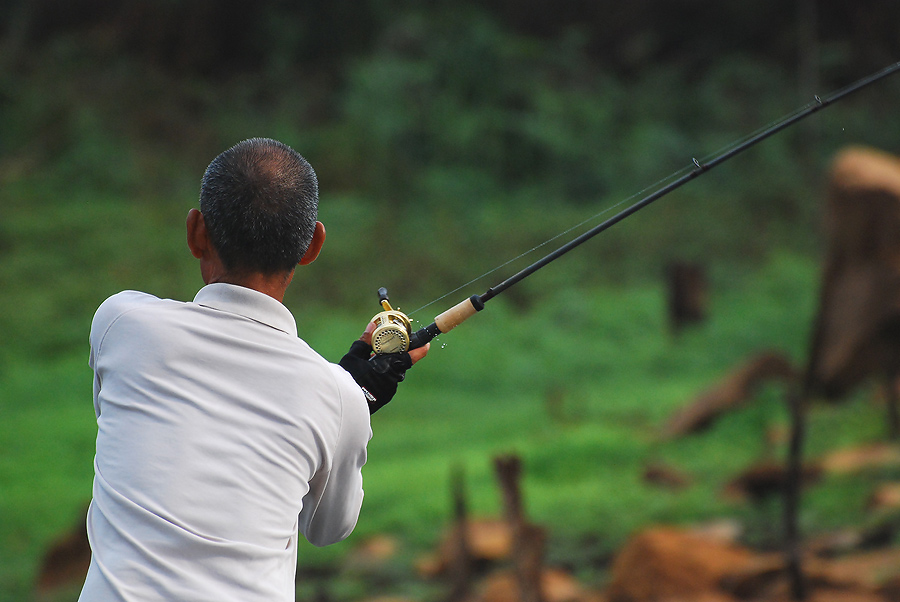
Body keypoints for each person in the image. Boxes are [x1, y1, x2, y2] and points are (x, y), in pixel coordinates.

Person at [78, 137, 428, 601]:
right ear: (312, 244)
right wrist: (351, 399)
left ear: (196, 232)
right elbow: (328, 528)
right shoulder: (337, 398)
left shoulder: (120, 323)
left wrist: (343, 394)